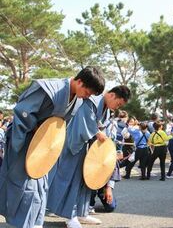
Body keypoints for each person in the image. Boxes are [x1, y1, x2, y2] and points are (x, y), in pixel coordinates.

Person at [0, 67, 105, 228]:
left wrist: (52, 141)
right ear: (79, 81)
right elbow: (23, 112)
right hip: (25, 140)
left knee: (41, 185)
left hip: (46, 145)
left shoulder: (77, 99)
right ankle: (26, 223)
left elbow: (61, 125)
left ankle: (35, 222)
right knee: (25, 184)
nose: (87, 97)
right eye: (87, 92)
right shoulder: (48, 89)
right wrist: (36, 130)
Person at [47, 85, 130, 228]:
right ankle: (70, 215)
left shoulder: (105, 108)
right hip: (75, 145)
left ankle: (82, 212)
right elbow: (84, 122)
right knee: (71, 181)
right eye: (118, 104)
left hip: (88, 148)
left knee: (85, 182)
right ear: (111, 95)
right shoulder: (91, 101)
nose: (117, 107)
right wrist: (96, 132)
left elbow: (98, 125)